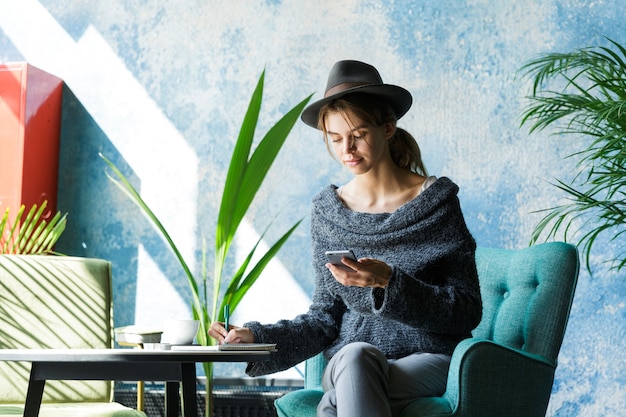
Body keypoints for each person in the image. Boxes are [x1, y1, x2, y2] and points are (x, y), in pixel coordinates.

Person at [209, 60, 482, 417]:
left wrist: (389, 281)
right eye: (335, 139)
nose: (347, 150)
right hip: (349, 359)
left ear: (388, 128)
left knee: (345, 390)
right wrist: (256, 337)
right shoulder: (328, 213)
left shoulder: (437, 204)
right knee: (355, 357)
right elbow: (324, 318)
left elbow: (465, 310)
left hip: (430, 359)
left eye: (358, 135)